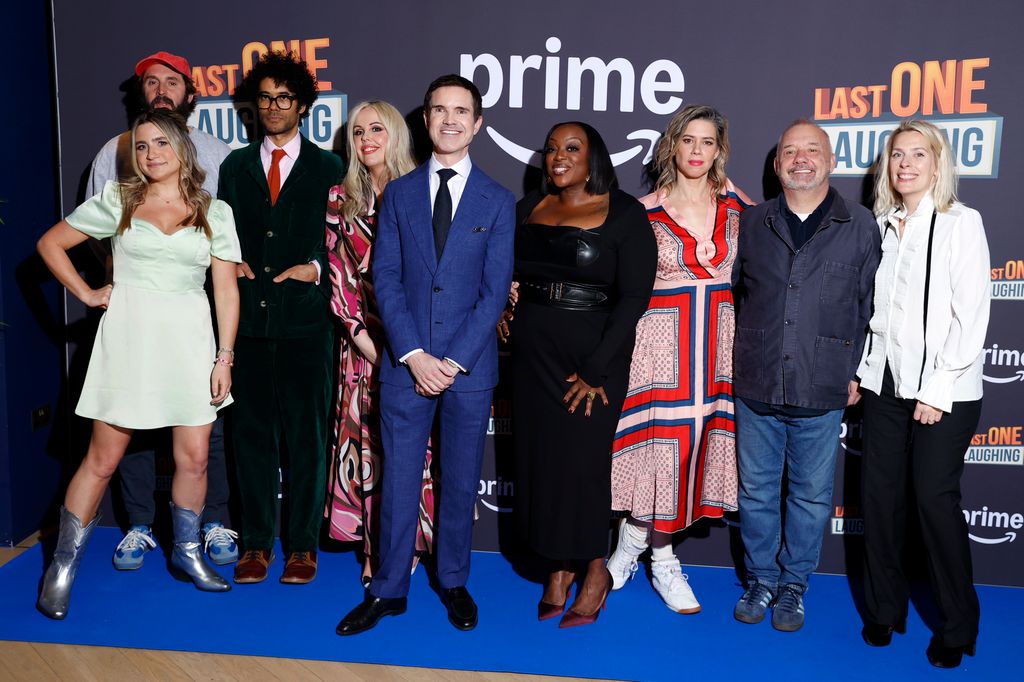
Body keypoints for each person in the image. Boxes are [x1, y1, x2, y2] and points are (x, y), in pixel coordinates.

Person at [35, 109, 241, 619]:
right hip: (128, 345)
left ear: (182, 149)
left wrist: (224, 356)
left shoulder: (215, 212)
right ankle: (61, 568)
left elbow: (226, 291)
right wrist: (87, 291)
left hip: (191, 345)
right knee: (100, 461)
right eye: (142, 146)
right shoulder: (119, 201)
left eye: (160, 144)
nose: (150, 154)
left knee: (194, 459)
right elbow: (50, 244)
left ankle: (188, 553)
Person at [335, 74, 515, 635]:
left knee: (461, 481)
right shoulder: (400, 194)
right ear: (426, 119)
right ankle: (388, 589)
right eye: (439, 110)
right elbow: (383, 278)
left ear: (478, 123)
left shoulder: (499, 199)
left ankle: (454, 581)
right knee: (399, 482)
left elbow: (494, 292)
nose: (450, 119)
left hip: (469, 370)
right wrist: (413, 355)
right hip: (403, 368)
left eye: (462, 111)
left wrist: (452, 361)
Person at [86, 50, 238, 571]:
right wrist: (116, 284)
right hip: (132, 311)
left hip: (191, 309)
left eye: (171, 81)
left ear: (189, 92)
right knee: (129, 431)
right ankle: (140, 527)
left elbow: (221, 241)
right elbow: (96, 232)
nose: (161, 89)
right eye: (151, 82)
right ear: (141, 91)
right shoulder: (117, 151)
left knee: (199, 426)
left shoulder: (218, 151)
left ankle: (209, 520)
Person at [731, 120, 880, 632]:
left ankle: (794, 585)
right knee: (755, 492)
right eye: (789, 151)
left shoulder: (861, 225)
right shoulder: (751, 222)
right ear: (776, 166)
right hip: (757, 380)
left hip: (823, 384)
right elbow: (734, 294)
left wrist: (858, 369)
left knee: (812, 496)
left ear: (830, 160)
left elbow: (870, 307)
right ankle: (761, 579)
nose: (800, 158)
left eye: (811, 149)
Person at [854, 120, 990, 668]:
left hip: (945, 388)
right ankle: (885, 610)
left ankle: (958, 625)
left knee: (934, 500)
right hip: (885, 383)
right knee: (880, 501)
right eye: (896, 155)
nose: (905, 164)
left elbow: (971, 316)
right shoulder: (881, 226)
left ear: (938, 164)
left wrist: (936, 391)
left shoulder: (962, 223)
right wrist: (864, 372)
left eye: (918, 154)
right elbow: (880, 316)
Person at [606, 105, 752, 613]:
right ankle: (653, 554)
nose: (696, 151)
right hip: (659, 344)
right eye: (687, 140)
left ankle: (640, 547)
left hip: (716, 345)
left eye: (707, 142)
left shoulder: (737, 205)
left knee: (694, 448)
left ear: (719, 150)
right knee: (658, 449)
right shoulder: (644, 209)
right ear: (672, 145)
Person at [511, 121, 657, 628]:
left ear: (593, 156)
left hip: (590, 362)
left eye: (571, 148)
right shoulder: (528, 207)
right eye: (551, 147)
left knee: (582, 468)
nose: (558, 156)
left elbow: (635, 297)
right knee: (541, 465)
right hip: (531, 358)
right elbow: (511, 274)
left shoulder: (625, 213)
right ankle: (557, 569)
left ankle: (595, 570)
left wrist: (596, 370)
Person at [217, 51, 342, 585]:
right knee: (250, 437)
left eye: (284, 98)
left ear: (304, 106)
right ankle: (255, 544)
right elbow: (219, 232)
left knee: (308, 439)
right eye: (264, 98)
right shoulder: (234, 166)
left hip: (307, 326)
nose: (273, 107)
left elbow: (344, 240)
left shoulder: (330, 167)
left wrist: (316, 267)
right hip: (245, 323)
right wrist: (229, 259)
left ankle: (303, 547)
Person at [323, 100, 437, 584]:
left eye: (377, 129)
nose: (366, 138)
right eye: (357, 132)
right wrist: (368, 342)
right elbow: (339, 279)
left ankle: (408, 543)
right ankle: (376, 548)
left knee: (413, 451)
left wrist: (410, 348)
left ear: (396, 135)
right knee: (370, 449)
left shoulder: (423, 192)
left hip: (419, 345)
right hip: (365, 347)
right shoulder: (339, 198)